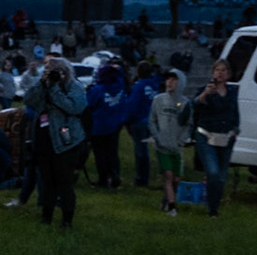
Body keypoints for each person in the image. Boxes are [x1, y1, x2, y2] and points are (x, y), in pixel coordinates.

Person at [24, 55, 88, 228]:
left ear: (65, 72)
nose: (51, 74)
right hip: (44, 140)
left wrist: (56, 89)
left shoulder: (74, 86)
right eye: (47, 70)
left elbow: (76, 107)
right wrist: (42, 83)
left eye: (55, 71)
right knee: (47, 181)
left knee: (64, 182)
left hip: (66, 142)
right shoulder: (44, 85)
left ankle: (67, 220)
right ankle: (46, 217)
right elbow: (29, 100)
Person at [192, 56, 242, 219]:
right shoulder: (206, 90)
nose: (220, 73)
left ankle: (214, 209)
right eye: (217, 70)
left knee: (221, 177)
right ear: (213, 72)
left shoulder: (232, 92)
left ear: (228, 74)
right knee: (213, 172)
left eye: (223, 70)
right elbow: (195, 104)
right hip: (206, 135)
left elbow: (235, 113)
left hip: (226, 136)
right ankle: (211, 205)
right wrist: (206, 94)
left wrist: (235, 130)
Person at [149, 68, 191, 216]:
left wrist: (182, 139)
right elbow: (152, 120)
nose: (170, 82)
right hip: (162, 145)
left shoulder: (185, 103)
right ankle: (172, 207)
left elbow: (188, 124)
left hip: (176, 146)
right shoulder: (158, 100)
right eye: (168, 79)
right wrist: (157, 137)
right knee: (167, 174)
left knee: (176, 178)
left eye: (174, 80)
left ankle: (167, 199)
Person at [84, 60, 130, 189]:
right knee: (112, 153)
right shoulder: (119, 86)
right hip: (115, 125)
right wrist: (117, 69)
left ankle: (103, 180)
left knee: (100, 155)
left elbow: (88, 104)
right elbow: (121, 76)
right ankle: (115, 177)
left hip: (99, 126)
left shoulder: (98, 90)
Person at [126, 60, 161, 187]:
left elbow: (132, 105)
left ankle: (142, 178)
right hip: (153, 120)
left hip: (139, 121)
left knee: (140, 151)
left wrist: (128, 120)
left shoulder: (138, 86)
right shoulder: (155, 85)